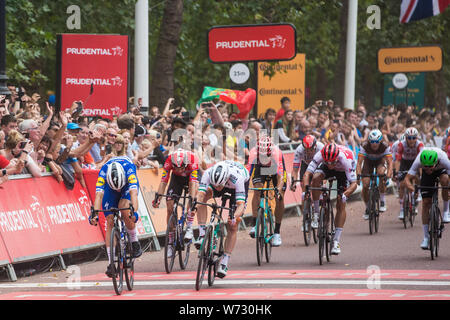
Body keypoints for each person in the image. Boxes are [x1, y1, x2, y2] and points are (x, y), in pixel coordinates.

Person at [192, 160, 250, 278]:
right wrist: (194, 207)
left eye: (219, 185)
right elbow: (200, 195)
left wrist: (234, 217)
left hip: (236, 186)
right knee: (203, 198)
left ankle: (225, 262)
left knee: (233, 226)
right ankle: (202, 233)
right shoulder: (208, 173)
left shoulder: (237, 179)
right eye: (215, 185)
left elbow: (240, 205)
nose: (217, 188)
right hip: (221, 180)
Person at [89, 157, 142, 278]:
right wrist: (95, 215)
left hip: (127, 186)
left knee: (125, 208)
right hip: (110, 188)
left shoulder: (129, 169)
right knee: (109, 220)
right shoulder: (103, 172)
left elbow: (133, 193)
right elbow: (98, 195)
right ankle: (111, 263)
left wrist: (134, 213)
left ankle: (134, 241)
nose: (118, 190)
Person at [303, 143, 358, 255]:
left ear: (336, 158)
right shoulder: (320, 155)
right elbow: (307, 174)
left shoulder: (345, 159)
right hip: (325, 169)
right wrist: (306, 190)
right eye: (327, 162)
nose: (330, 165)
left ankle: (336, 241)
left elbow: (354, 184)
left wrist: (345, 194)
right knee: (316, 178)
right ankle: (317, 213)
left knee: (340, 203)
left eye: (332, 162)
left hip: (342, 172)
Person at [152, 149, 199, 257]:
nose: (179, 170)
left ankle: (189, 227)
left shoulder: (193, 160)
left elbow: (192, 183)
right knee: (169, 206)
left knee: (194, 198)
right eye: (176, 168)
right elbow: (164, 180)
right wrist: (158, 198)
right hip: (176, 179)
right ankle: (170, 241)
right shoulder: (168, 161)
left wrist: (191, 199)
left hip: (190, 178)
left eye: (181, 168)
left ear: (186, 164)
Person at [404, 148, 450, 250]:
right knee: (425, 203)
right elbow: (407, 179)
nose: (428, 169)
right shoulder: (418, 161)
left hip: (441, 171)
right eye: (425, 167)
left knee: (445, 181)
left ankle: (446, 211)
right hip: (427, 176)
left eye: (430, 167)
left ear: (436, 162)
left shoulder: (443, 159)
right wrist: (412, 189)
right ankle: (426, 237)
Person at [246, 135, 286, 246]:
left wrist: (278, 189)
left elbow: (281, 176)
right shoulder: (253, 152)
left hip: (275, 169)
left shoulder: (276, 153)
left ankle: (277, 232)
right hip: (260, 168)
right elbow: (248, 173)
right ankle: (255, 224)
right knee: (257, 190)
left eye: (266, 155)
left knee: (280, 196)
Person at [356, 129, 393, 219]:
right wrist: (358, 176)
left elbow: (390, 163)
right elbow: (359, 163)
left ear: (380, 141)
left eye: (376, 141)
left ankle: (382, 200)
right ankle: (368, 207)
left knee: (381, 173)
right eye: (372, 141)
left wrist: (388, 175)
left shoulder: (385, 146)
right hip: (368, 163)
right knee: (365, 185)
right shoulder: (364, 146)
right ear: (369, 141)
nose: (374, 144)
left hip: (380, 161)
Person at [395, 127, 424, 220]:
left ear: (416, 138)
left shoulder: (420, 145)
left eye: (414, 138)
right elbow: (398, 160)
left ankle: (417, 193)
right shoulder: (401, 145)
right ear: (406, 138)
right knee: (402, 184)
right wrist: (397, 172)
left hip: (416, 162)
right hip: (404, 162)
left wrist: (421, 175)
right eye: (409, 138)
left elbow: (422, 161)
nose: (411, 140)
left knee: (417, 177)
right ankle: (402, 209)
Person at [290, 135, 324, 203]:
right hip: (305, 164)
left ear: (315, 146)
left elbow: (325, 166)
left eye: (311, 149)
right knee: (304, 187)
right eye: (306, 150)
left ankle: (320, 201)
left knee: (318, 182)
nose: (308, 152)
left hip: (318, 164)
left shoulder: (321, 147)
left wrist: (323, 180)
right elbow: (295, 170)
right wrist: (293, 182)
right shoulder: (299, 150)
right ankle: (305, 211)